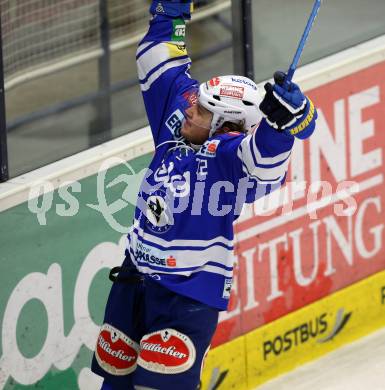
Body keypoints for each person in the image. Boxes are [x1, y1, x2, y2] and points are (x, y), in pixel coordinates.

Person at [91, 1, 318, 389]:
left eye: (202, 109)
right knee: (114, 384)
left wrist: (285, 124)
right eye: (196, 99)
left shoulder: (228, 161)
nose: (189, 108)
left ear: (226, 126)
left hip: (187, 297)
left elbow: (263, 163)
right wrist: (171, 15)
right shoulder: (182, 120)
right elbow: (156, 59)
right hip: (135, 281)